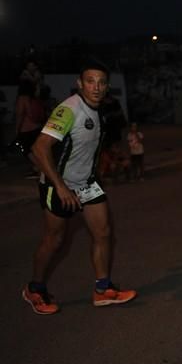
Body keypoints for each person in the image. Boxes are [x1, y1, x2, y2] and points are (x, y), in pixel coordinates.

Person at [22, 59, 137, 315]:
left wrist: (121, 155)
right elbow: (39, 147)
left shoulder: (101, 110)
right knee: (55, 239)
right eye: (90, 81)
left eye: (101, 82)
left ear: (106, 86)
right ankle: (35, 289)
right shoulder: (69, 110)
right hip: (59, 184)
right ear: (79, 84)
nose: (96, 87)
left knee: (104, 232)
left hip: (86, 183)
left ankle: (103, 289)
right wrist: (61, 187)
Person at [14, 80, 46, 176]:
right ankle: (38, 169)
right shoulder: (35, 99)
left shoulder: (22, 98)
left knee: (27, 150)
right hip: (37, 127)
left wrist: (17, 128)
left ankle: (41, 170)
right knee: (35, 150)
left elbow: (20, 114)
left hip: (26, 129)